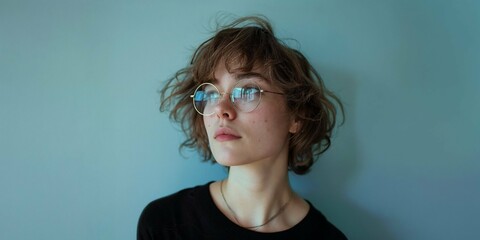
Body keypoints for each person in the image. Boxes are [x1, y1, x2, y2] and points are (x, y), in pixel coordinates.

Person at [137, 15, 347, 239]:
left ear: (296, 116)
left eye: (247, 91)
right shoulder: (165, 222)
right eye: (211, 93)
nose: (220, 108)